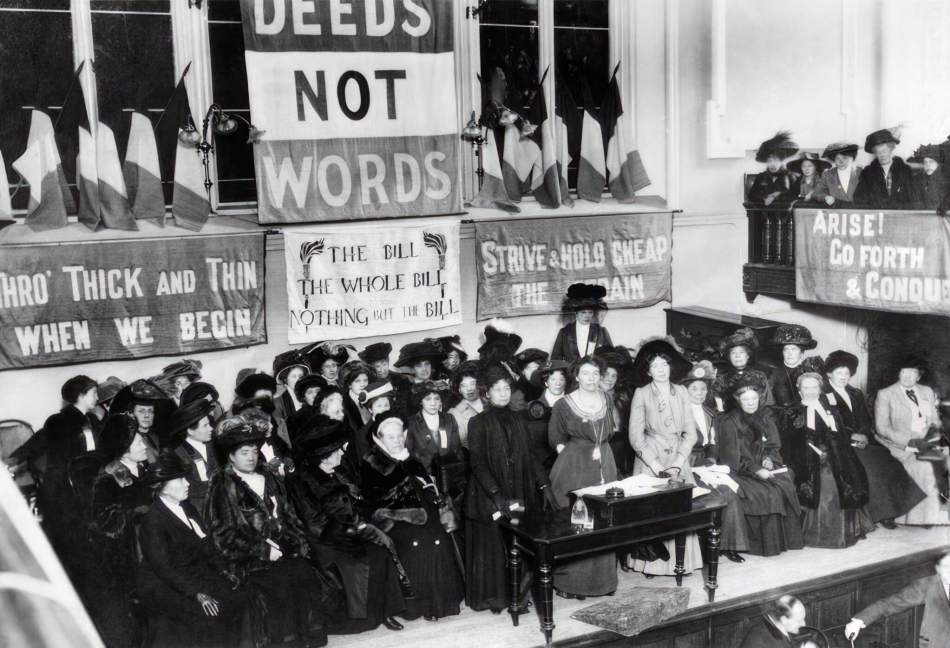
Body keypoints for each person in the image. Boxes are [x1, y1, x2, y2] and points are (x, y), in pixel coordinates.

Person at [205, 415, 328, 647]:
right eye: (244, 452)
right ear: (230, 456)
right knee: (279, 583)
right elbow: (222, 536)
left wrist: (296, 542)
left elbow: (289, 516)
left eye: (253, 450)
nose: (251, 457)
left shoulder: (268, 476)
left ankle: (309, 638)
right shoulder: (222, 484)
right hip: (248, 558)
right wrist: (262, 549)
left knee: (305, 574)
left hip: (283, 546)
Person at [287, 418, 407, 633]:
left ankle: (386, 612)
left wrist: (363, 524)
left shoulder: (339, 472)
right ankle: (362, 618)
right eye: (336, 451)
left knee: (381, 552)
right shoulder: (301, 481)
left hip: (350, 530)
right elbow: (313, 522)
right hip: (326, 540)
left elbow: (356, 503)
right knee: (361, 561)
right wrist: (351, 532)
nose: (342, 453)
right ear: (323, 456)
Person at [465, 365, 558, 613]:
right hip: (490, 493)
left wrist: (545, 485)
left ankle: (520, 593)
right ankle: (498, 598)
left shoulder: (519, 418)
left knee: (523, 539)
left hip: (520, 487)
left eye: (507, 388)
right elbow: (478, 463)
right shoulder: (477, 422)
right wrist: (496, 495)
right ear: (486, 393)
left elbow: (530, 456)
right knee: (496, 544)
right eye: (497, 389)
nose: (504, 393)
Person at [137, 452, 247, 648]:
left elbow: (207, 545)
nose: (187, 483)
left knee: (236, 597)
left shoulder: (188, 508)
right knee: (208, 614)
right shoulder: (152, 522)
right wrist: (197, 593)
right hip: (165, 584)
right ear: (161, 487)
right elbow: (164, 568)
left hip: (192, 572)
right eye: (180, 479)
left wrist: (224, 570)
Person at [360, 413, 464, 621]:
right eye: (391, 437)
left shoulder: (409, 457)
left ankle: (443, 603)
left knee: (440, 537)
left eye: (399, 436)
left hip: (424, 512)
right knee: (421, 542)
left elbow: (428, 487)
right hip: (392, 519)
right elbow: (374, 501)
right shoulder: (371, 463)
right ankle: (420, 605)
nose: (397, 441)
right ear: (380, 439)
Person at [627, 340, 705, 577]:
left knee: (681, 510)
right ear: (648, 370)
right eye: (655, 366)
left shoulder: (681, 391)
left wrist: (678, 462)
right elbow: (635, 436)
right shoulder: (641, 394)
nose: (661, 369)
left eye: (664, 365)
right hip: (650, 457)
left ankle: (682, 563)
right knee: (653, 510)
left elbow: (690, 433)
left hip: (678, 457)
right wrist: (655, 465)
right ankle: (651, 564)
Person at [822, 350, 925, 528]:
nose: (843, 377)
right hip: (839, 443)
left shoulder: (855, 393)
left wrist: (863, 434)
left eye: (847, 373)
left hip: (861, 441)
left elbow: (865, 420)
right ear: (829, 374)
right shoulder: (823, 394)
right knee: (869, 467)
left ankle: (891, 512)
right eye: (839, 373)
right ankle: (878, 514)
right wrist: (850, 437)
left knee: (886, 460)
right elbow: (826, 424)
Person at [549, 355, 618, 598]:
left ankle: (602, 582)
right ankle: (571, 584)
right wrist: (570, 458)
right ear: (576, 376)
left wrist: (600, 452)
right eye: (586, 373)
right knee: (579, 519)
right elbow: (555, 438)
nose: (591, 378)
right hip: (575, 465)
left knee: (605, 517)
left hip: (605, 462)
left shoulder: (607, 398)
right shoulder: (564, 404)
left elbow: (610, 428)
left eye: (596, 374)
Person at [717, 373, 804, 556]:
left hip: (763, 467)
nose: (750, 403)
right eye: (746, 399)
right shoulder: (729, 422)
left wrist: (769, 459)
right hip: (739, 471)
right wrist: (756, 470)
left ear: (760, 398)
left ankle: (785, 540)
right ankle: (761, 545)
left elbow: (773, 445)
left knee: (785, 482)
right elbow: (731, 458)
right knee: (766, 492)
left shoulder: (765, 417)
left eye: (754, 398)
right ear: (738, 400)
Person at [784, 372, 874, 548]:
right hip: (805, 459)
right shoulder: (791, 412)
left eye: (814, 387)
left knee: (850, 473)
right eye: (806, 387)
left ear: (820, 389)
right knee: (827, 480)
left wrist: (837, 448)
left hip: (836, 454)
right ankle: (823, 535)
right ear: (799, 390)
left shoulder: (830, 408)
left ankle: (847, 531)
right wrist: (814, 453)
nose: (810, 391)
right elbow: (788, 444)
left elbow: (839, 434)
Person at [87, 414, 152, 647]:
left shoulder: (141, 469)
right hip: (129, 558)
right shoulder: (109, 478)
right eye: (138, 443)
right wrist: (138, 512)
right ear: (124, 448)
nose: (144, 445)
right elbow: (105, 523)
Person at [682, 360, 749, 563]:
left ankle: (729, 546)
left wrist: (711, 458)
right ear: (685, 390)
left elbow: (713, 442)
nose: (700, 393)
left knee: (730, 492)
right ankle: (703, 549)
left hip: (705, 464)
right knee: (710, 497)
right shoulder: (678, 413)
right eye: (694, 388)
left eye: (703, 389)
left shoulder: (711, 413)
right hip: (685, 465)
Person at [39, 375, 101, 588]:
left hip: (90, 481)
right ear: (81, 395)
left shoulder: (93, 420)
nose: (97, 397)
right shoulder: (58, 421)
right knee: (73, 542)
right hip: (67, 487)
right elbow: (59, 458)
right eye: (93, 393)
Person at [874, 355, 948, 525]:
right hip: (900, 446)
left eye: (912, 373)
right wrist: (910, 441)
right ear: (898, 374)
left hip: (927, 442)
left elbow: (934, 419)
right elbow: (882, 428)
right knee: (924, 467)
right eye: (903, 372)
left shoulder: (927, 391)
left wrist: (933, 434)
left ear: (919, 376)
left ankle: (935, 512)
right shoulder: (886, 394)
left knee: (947, 457)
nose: (907, 376)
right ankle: (917, 518)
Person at [845, 548, 950, 647]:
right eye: (946, 567)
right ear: (938, 569)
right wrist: (858, 621)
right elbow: (890, 604)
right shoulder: (926, 586)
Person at [406, 381, 467, 510]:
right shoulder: (411, 423)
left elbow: (457, 451)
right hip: (425, 483)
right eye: (428, 399)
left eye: (436, 399)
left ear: (441, 401)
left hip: (449, 479)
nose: (433, 403)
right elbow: (410, 455)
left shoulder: (449, 419)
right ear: (420, 401)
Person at [170, 398, 219, 513]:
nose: (211, 428)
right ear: (190, 431)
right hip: (199, 510)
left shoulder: (214, 445)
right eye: (205, 425)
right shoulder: (177, 454)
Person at [853, 127, 920, 209]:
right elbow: (859, 199)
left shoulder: (904, 170)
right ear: (875, 153)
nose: (882, 155)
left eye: (885, 151)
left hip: (900, 218)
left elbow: (914, 199)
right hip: (877, 218)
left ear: (891, 149)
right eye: (878, 152)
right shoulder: (867, 172)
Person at [522, 359, 570, 472]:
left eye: (562, 379)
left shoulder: (574, 404)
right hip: (542, 466)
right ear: (545, 382)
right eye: (553, 379)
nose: (558, 383)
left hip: (569, 461)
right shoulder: (532, 406)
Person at [111, 378, 173, 464]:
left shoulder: (157, 436)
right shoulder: (128, 441)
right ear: (132, 414)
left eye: (150, 411)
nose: (147, 415)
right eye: (141, 411)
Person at [596, 346, 636, 477]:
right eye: (606, 374)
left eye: (614, 376)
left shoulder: (623, 398)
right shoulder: (591, 397)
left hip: (622, 450)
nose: (610, 379)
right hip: (600, 449)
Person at [714, 327, 775, 410]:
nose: (737, 356)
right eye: (733, 353)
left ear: (748, 356)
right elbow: (716, 403)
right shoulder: (722, 379)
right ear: (729, 357)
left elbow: (768, 403)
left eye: (741, 352)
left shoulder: (760, 376)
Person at [551, 283, 613, 363]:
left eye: (590, 312)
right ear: (576, 313)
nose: (587, 316)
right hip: (570, 374)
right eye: (583, 312)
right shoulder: (565, 332)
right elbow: (555, 359)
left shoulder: (601, 331)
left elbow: (611, 357)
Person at [767, 324, 819, 408]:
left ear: (801, 352)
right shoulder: (774, 374)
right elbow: (769, 403)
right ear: (782, 352)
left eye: (793, 349)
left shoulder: (811, 371)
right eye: (786, 349)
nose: (789, 353)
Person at [740, 595, 817, 648]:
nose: (804, 624)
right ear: (784, 620)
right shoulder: (759, 643)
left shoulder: (776, 626)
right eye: (799, 621)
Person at [358, 342, 411, 417]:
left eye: (384, 364)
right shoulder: (369, 384)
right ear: (372, 367)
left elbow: (406, 407)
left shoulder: (401, 380)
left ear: (388, 362)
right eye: (377, 366)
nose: (381, 369)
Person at [747, 131, 800, 206]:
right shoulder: (761, 177)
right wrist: (765, 197)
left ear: (781, 161)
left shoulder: (791, 177)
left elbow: (794, 196)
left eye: (776, 160)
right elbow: (751, 195)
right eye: (769, 161)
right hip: (765, 214)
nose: (772, 164)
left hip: (785, 216)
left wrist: (775, 195)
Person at [272, 349, 311, 447]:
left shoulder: (309, 395)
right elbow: (281, 434)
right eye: (294, 376)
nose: (299, 380)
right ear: (285, 379)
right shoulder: (278, 402)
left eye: (301, 376)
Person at [813, 142, 861, 206]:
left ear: (850, 158)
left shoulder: (860, 172)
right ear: (834, 160)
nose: (841, 161)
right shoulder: (827, 174)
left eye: (844, 158)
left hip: (858, 211)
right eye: (837, 158)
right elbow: (816, 193)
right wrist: (825, 197)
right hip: (836, 212)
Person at [448, 361, 483, 447]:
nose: (469, 389)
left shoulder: (490, 401)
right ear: (459, 389)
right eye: (464, 385)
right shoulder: (455, 413)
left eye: (472, 383)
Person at [910, 144, 948, 210]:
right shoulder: (918, 180)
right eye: (925, 162)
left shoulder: (945, 180)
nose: (928, 165)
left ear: (938, 164)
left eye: (931, 162)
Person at [340, 360, 373, 436]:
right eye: (357, 381)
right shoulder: (342, 404)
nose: (363, 385)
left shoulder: (372, 397)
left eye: (365, 380)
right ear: (349, 384)